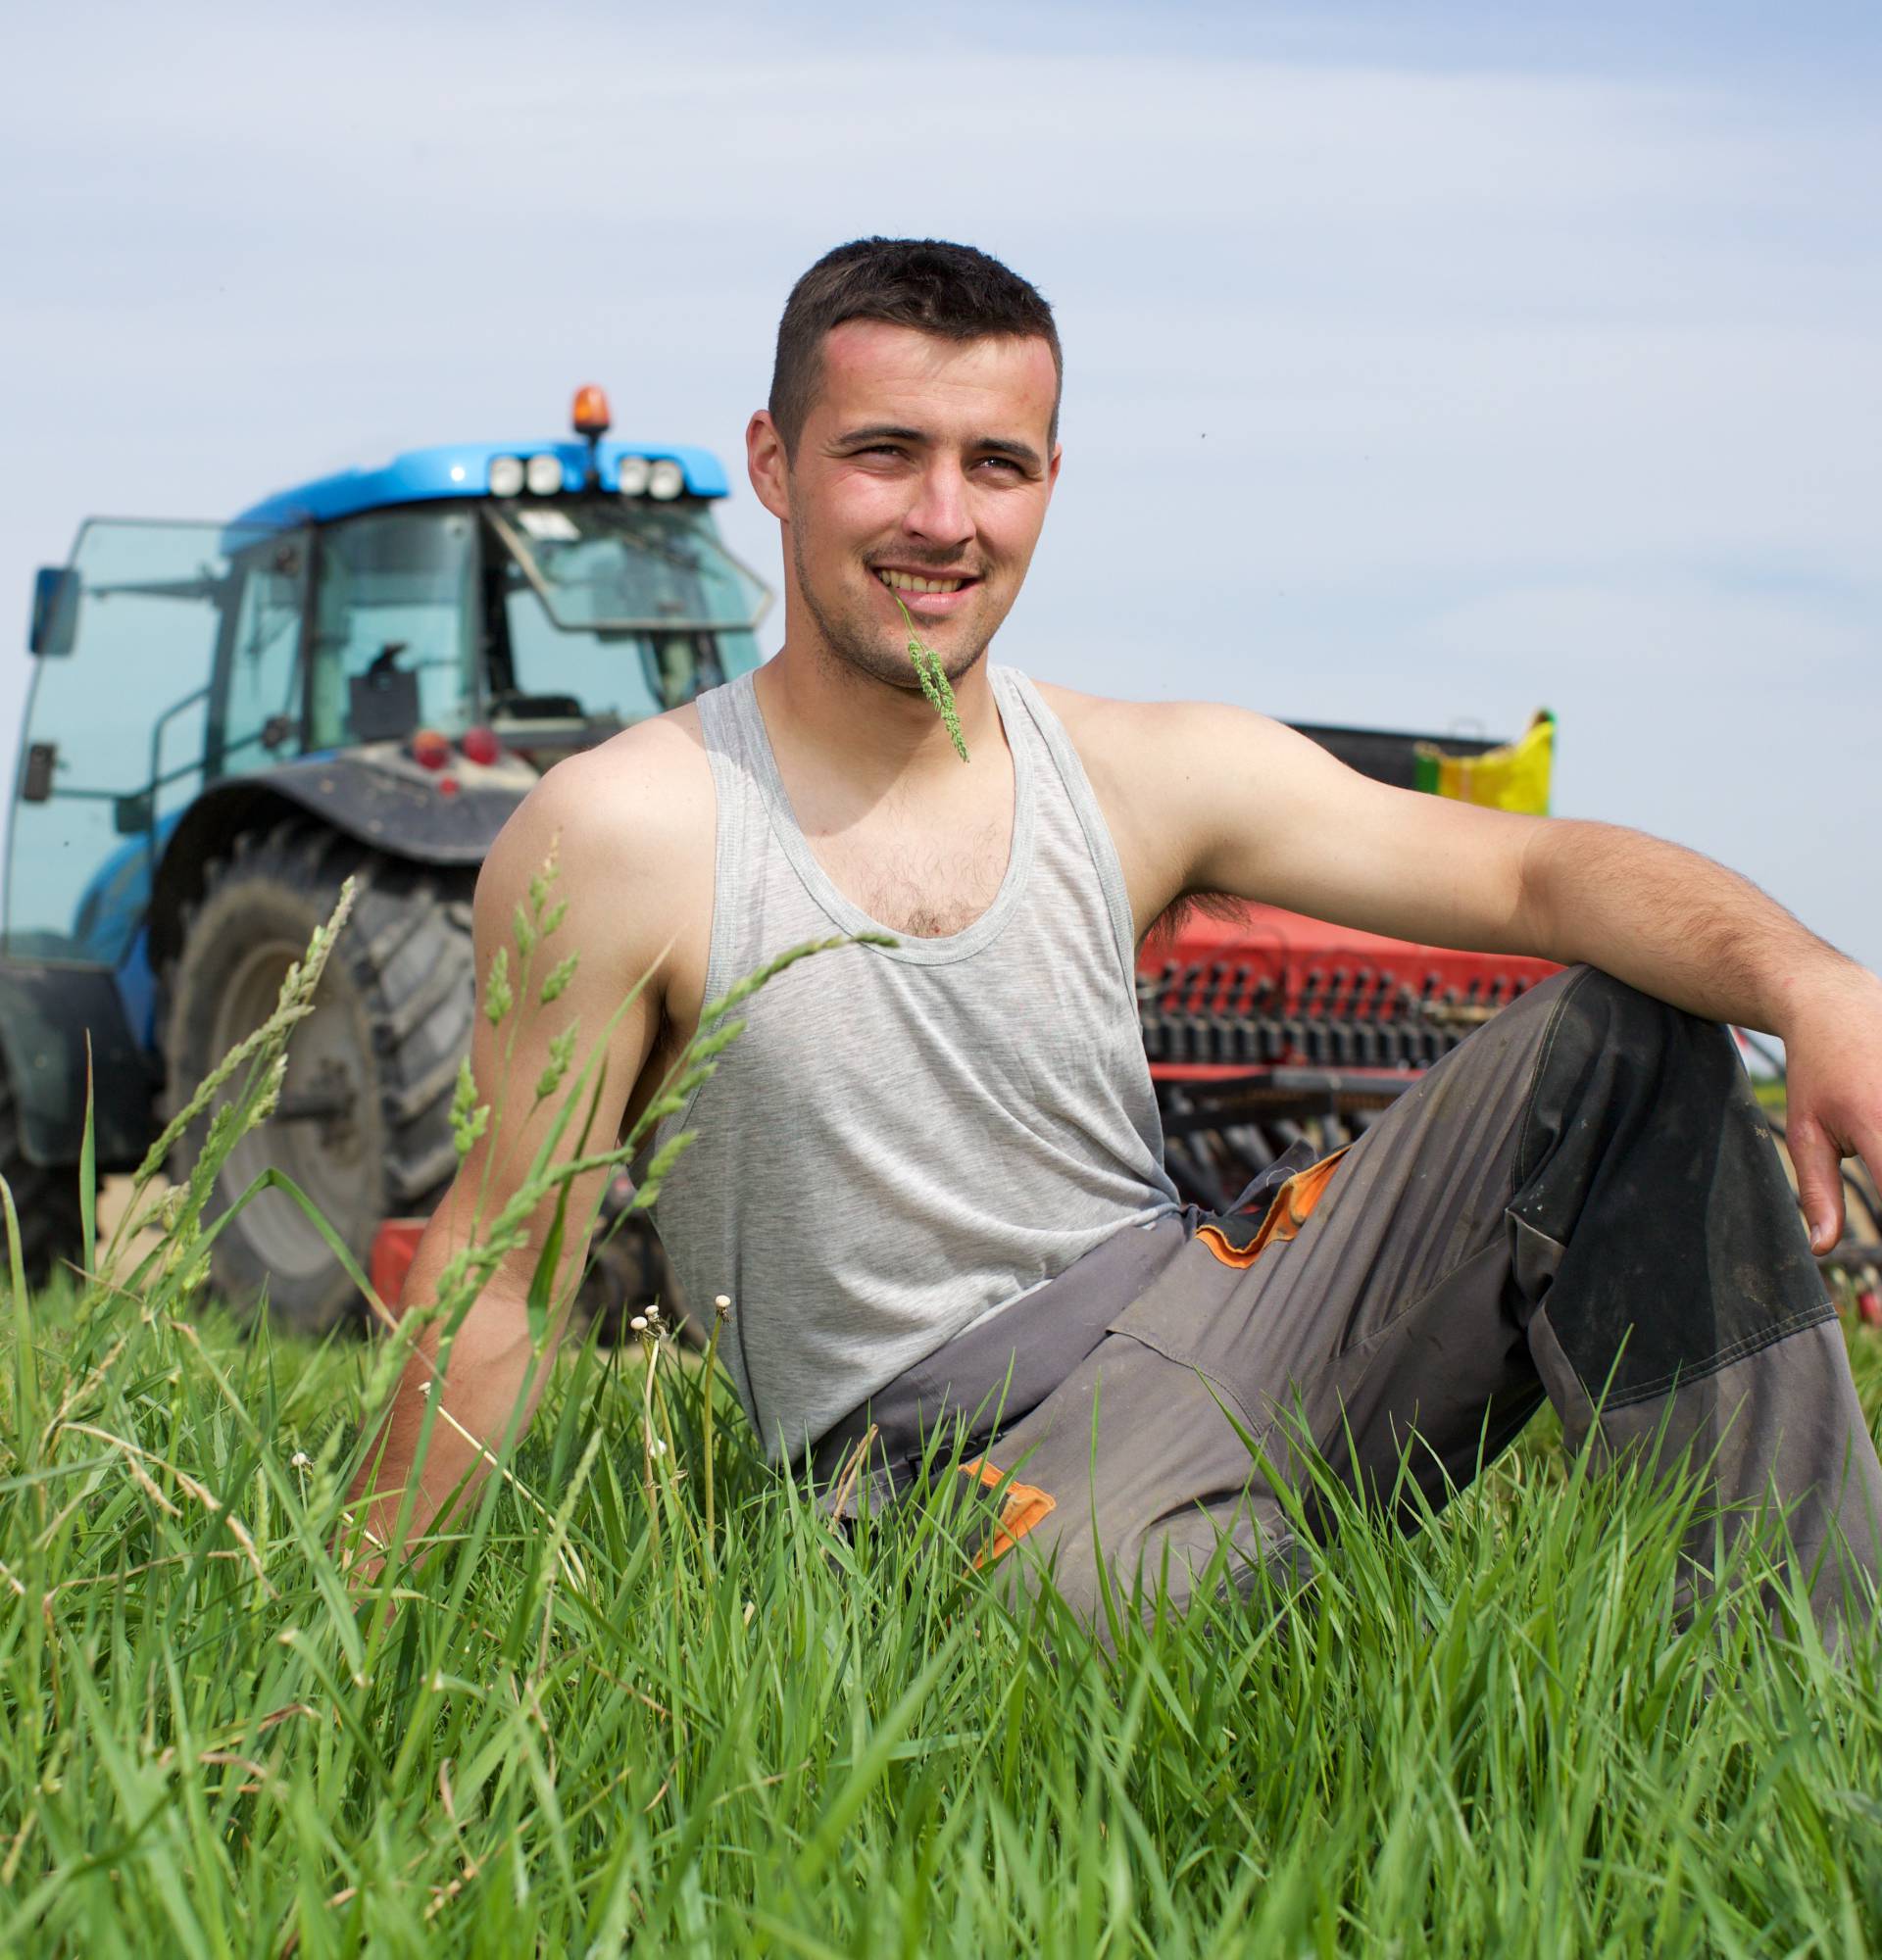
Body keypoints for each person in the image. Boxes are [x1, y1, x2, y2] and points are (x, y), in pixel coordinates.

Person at [350, 237, 1882, 1648]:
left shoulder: (1140, 770)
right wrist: (343, 1645)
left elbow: (1543, 878)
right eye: (885, 453)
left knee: (1624, 1038)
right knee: (1103, 1610)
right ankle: (1325, 1622)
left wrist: (1812, 983)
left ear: (1050, 481)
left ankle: (1808, 1667)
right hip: (941, 1462)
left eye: (995, 465)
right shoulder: (628, 830)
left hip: (1216, 1312)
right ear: (774, 462)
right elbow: (501, 1278)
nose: (943, 519)